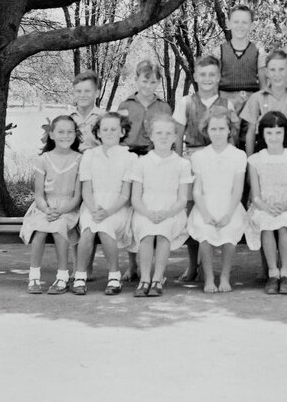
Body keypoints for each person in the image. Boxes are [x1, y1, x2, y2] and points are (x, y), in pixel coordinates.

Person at [172, 55, 237, 282]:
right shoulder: (185, 103)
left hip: (219, 161)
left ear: (219, 77)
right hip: (193, 157)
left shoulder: (226, 104)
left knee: (217, 208)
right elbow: (178, 136)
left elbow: (233, 137)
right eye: (203, 75)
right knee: (193, 212)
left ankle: (216, 266)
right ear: (196, 77)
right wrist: (179, 165)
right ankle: (193, 265)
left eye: (212, 74)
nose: (207, 79)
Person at [71, 112, 136, 296]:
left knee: (105, 226)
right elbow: (86, 189)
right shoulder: (90, 155)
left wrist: (107, 212)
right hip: (92, 205)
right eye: (104, 129)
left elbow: (125, 195)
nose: (109, 132)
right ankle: (80, 276)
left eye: (114, 129)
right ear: (97, 133)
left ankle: (114, 276)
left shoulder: (130, 158)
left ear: (122, 132)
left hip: (117, 207)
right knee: (89, 228)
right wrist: (93, 209)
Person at [128, 114, 192, 298]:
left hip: (172, 211)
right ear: (151, 135)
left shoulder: (182, 164)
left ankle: (158, 278)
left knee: (163, 231)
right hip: (145, 210)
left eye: (168, 133)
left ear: (174, 137)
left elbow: (182, 200)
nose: (163, 136)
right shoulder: (141, 162)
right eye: (159, 132)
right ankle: (145, 278)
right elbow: (135, 198)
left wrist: (166, 213)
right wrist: (148, 213)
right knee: (147, 233)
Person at [186, 106, 248, 293]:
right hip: (205, 204)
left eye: (222, 128)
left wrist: (229, 214)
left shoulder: (238, 155)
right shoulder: (199, 156)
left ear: (229, 130)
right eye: (213, 129)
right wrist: (205, 213)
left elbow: (238, 189)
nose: (218, 133)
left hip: (230, 204)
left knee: (229, 230)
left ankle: (225, 277)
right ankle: (209, 278)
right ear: (207, 130)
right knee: (205, 230)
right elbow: (197, 191)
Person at [244, 111, 287, 295]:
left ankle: (286, 273)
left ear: (285, 133)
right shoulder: (255, 159)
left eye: (278, 133)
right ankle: (273, 273)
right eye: (269, 133)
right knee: (266, 223)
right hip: (263, 206)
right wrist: (266, 207)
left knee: (283, 224)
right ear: (262, 134)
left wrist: (283, 207)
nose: (274, 137)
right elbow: (255, 195)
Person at [20, 115, 82, 295]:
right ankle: (34, 276)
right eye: (61, 132)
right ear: (52, 135)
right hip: (43, 207)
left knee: (59, 228)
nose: (66, 136)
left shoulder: (79, 159)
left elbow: (77, 197)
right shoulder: (44, 159)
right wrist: (47, 209)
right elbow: (38, 194)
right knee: (39, 232)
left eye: (70, 132)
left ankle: (62, 277)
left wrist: (61, 211)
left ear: (75, 135)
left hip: (68, 207)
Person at [240, 50, 287, 155]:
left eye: (281, 69)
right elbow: (250, 133)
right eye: (273, 70)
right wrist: (250, 163)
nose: (277, 74)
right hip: (263, 151)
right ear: (267, 72)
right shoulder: (256, 98)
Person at [216, 4, 267, 114]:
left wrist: (264, 108)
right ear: (228, 23)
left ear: (252, 25)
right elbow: (214, 84)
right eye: (236, 22)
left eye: (244, 22)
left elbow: (263, 85)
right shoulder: (219, 51)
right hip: (225, 103)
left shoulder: (259, 51)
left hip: (251, 102)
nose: (240, 26)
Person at [118, 59, 172, 157]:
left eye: (153, 82)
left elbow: (170, 137)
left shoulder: (164, 108)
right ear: (136, 79)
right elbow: (117, 135)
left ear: (159, 82)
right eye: (144, 81)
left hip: (155, 156)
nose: (148, 86)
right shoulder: (125, 105)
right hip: (128, 155)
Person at [70, 70, 105, 150]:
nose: (82, 95)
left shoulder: (105, 118)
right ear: (73, 94)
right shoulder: (67, 119)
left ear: (97, 93)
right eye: (78, 91)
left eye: (87, 91)